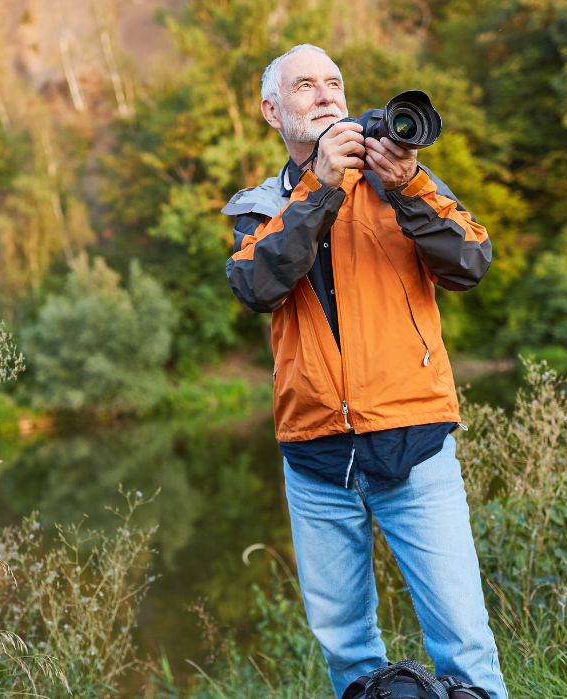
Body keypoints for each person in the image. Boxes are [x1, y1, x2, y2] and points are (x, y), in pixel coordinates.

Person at [222, 44, 507, 699]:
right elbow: (256, 283)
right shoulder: (261, 205)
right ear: (272, 110)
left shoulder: (401, 182)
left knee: (465, 648)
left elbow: (471, 261)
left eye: (334, 82)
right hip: (316, 459)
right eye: (305, 86)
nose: (325, 94)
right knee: (350, 658)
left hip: (415, 440)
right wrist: (321, 187)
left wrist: (408, 184)